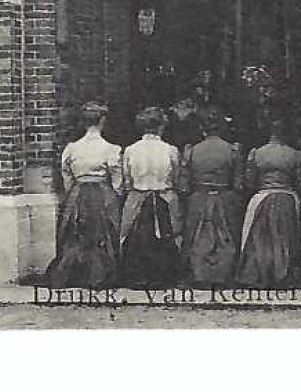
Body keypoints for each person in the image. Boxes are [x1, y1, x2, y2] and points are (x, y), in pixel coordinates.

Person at [44, 101, 124, 289]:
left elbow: (66, 175)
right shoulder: (111, 149)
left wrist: (73, 192)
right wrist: (115, 195)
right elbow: (117, 180)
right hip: (101, 193)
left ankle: (74, 273)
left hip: (77, 192)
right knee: (101, 234)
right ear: (102, 121)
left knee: (75, 233)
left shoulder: (72, 148)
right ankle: (99, 274)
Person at [234, 119, 301, 289]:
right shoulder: (296, 155)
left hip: (263, 197)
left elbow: (250, 182)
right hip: (287, 198)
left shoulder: (256, 153)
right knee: (286, 237)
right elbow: (300, 183)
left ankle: (259, 273)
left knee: (259, 238)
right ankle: (284, 274)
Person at [118, 106, 184, 289]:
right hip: (165, 196)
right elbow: (177, 177)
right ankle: (166, 275)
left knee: (133, 235)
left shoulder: (130, 150)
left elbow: (127, 180)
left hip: (138, 196)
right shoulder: (171, 150)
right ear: (161, 126)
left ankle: (137, 275)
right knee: (169, 235)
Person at [178, 108, 244, 288]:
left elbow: (183, 187)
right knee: (226, 236)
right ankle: (224, 275)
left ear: (202, 129)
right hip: (224, 198)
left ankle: (197, 274)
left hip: (198, 198)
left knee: (195, 236)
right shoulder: (232, 150)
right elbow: (239, 185)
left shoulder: (191, 151)